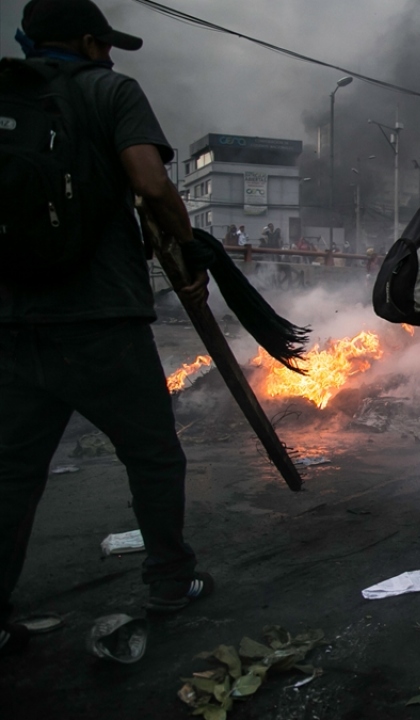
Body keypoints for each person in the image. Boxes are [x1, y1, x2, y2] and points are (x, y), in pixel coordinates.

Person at [0, 0, 214, 658]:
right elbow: (150, 181)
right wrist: (186, 244)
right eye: (107, 44)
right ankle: (171, 581)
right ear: (90, 43)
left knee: (12, 473)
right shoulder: (110, 90)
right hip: (102, 317)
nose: (113, 55)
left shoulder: (8, 102)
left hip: (13, 321)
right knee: (152, 456)